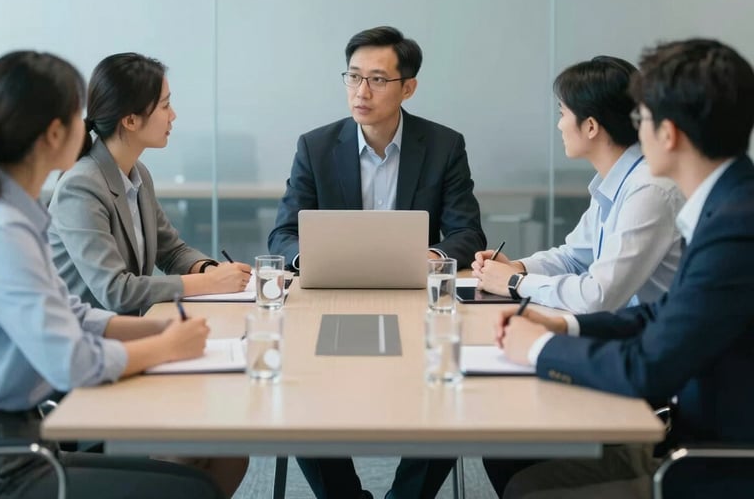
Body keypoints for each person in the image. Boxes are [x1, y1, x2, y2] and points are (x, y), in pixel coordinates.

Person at [491, 38, 754, 499]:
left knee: (525, 486)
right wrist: (562, 326)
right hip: (690, 430)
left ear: (668, 133)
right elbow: (660, 313)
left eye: (642, 119)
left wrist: (541, 347)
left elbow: (649, 365)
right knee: (515, 463)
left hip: (710, 460)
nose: (636, 131)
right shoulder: (728, 206)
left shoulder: (735, 226)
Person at [0, 50, 243, 499]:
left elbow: (76, 313)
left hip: (27, 438)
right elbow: (72, 359)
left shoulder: (20, 216)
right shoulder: (8, 229)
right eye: (75, 114)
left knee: (223, 455)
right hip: (8, 458)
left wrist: (160, 326)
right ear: (53, 133)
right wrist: (162, 345)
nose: (86, 123)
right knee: (192, 487)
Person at [268, 26, 486, 499]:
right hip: (329, 301)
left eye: (377, 80)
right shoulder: (317, 146)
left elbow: (468, 232)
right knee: (296, 390)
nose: (361, 92)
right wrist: (313, 257)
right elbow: (283, 234)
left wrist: (431, 255)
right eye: (353, 77)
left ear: (408, 87)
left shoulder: (444, 145)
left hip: (418, 304)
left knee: (450, 389)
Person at [474, 56, 683, 312]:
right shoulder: (615, 181)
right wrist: (518, 268)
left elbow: (599, 297)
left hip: (649, 340)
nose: (559, 125)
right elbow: (574, 258)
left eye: (562, 113)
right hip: (623, 331)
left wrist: (515, 282)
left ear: (591, 126)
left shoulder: (649, 190)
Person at [49, 53, 251, 316]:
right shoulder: (80, 187)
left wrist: (209, 269)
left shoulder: (138, 174)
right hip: (87, 343)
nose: (173, 115)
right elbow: (116, 291)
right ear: (130, 120)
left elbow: (172, 252)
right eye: (165, 106)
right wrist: (209, 283)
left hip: (128, 330)